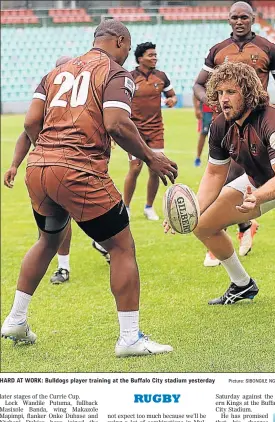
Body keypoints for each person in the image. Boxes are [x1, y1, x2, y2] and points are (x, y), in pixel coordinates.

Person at [1, 20, 178, 357]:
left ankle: (16, 318)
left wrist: (49, 152)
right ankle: (129, 338)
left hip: (39, 168)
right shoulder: (115, 72)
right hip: (79, 170)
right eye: (128, 49)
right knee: (121, 246)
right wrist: (151, 157)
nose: (127, 56)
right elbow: (116, 123)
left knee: (48, 240)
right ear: (122, 42)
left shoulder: (55, 72)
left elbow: (29, 122)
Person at [168, 61, 275, 323]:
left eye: (230, 92)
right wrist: (190, 210)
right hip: (257, 182)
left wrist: (259, 196)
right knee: (202, 225)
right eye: (219, 93)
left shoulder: (274, 120)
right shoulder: (221, 124)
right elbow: (214, 173)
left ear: (248, 91)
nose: (223, 100)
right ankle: (242, 284)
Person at [193, 1, 275, 263]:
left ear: (253, 19)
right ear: (229, 20)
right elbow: (198, 84)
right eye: (234, 17)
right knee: (223, 176)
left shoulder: (268, 48)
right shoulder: (217, 51)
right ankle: (239, 228)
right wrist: (212, 101)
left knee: (234, 178)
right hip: (225, 125)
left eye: (244, 17)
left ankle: (219, 235)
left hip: (257, 125)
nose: (239, 21)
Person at [3, 56, 110, 286]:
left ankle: (103, 243)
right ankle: (64, 266)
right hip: (57, 168)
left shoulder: (81, 100)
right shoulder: (51, 99)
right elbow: (27, 129)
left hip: (76, 167)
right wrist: (14, 164)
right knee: (60, 221)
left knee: (82, 218)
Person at [123, 42, 177, 221]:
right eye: (151, 55)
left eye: (155, 55)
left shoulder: (161, 77)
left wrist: (172, 101)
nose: (155, 58)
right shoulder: (129, 77)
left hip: (155, 130)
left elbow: (172, 96)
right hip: (134, 131)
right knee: (135, 167)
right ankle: (127, 207)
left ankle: (149, 207)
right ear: (140, 59)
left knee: (155, 169)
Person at [193, 95, 213, 168]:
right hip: (206, 108)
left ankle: (214, 159)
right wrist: (197, 109)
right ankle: (198, 158)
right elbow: (195, 92)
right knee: (204, 133)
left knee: (217, 134)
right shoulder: (201, 83)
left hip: (218, 108)